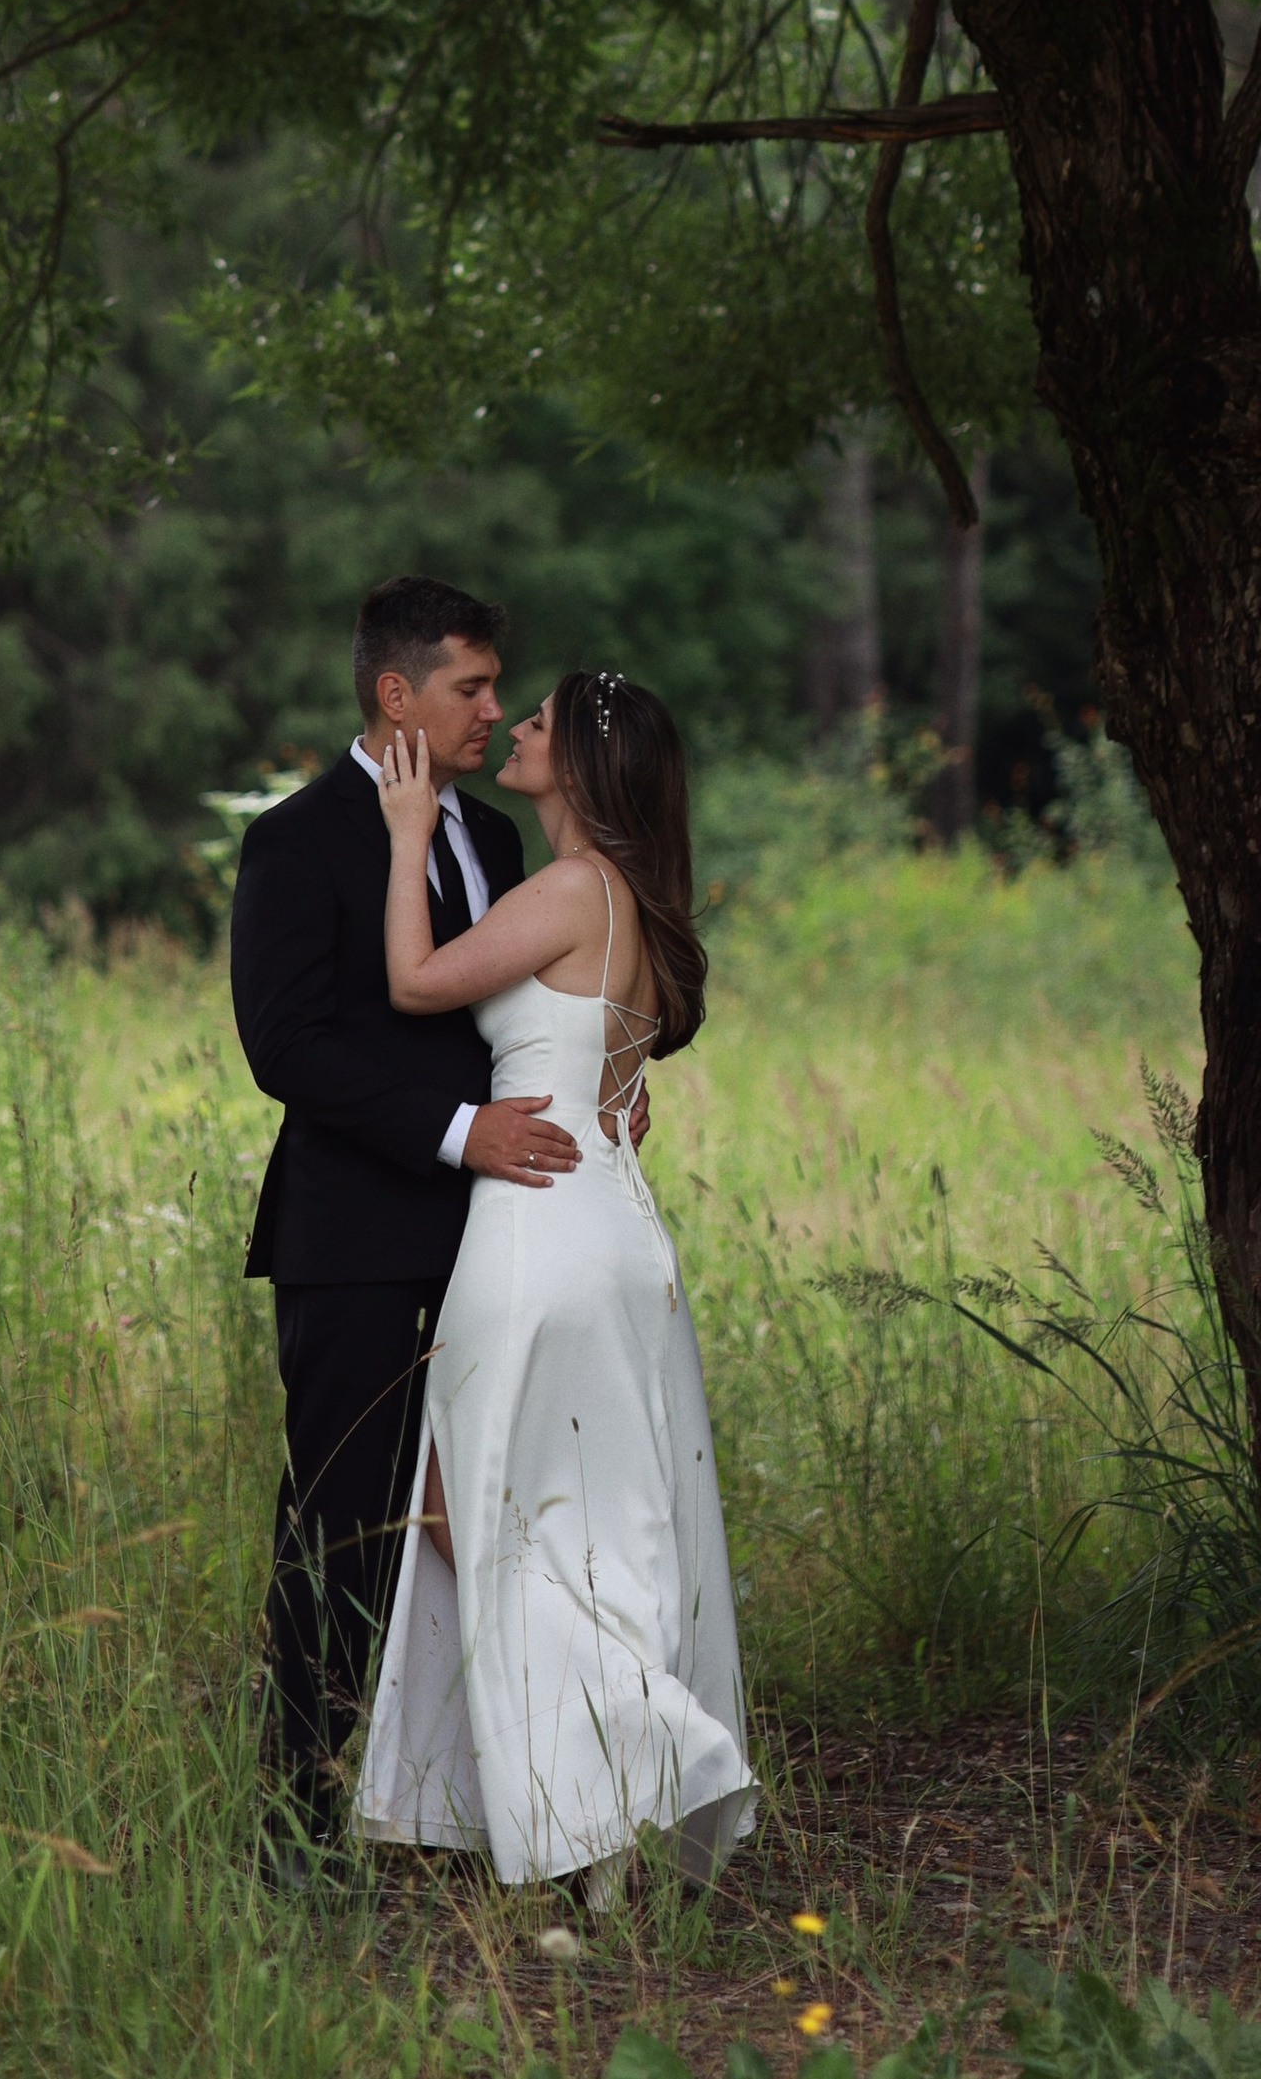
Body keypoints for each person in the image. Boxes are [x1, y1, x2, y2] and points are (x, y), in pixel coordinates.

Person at [355, 668, 755, 1899]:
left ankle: (655, 1755)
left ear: (580, 764)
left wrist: (410, 836)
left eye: (533, 722)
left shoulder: (574, 884)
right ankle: (593, 1830)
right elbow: (615, 1084)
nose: (512, 729)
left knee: (484, 1511)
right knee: (552, 1514)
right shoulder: (629, 900)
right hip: (611, 1229)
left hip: (537, 1230)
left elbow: (417, 984)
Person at [230, 576, 591, 1875]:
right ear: (398, 693)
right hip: (355, 1239)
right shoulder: (296, 838)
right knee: (343, 1527)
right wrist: (455, 1131)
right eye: (472, 688)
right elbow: (288, 1047)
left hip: (504, 1235)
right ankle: (297, 1835)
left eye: (499, 690)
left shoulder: (494, 839)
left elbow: (523, 1004)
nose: (495, 710)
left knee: (496, 1515)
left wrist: (602, 1087)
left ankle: (477, 1806)